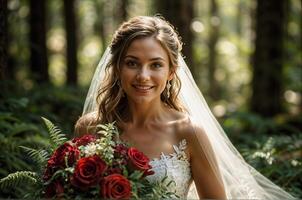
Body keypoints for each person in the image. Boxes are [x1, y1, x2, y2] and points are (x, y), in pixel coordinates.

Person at [75, 16, 295, 199]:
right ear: (117, 67)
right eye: (132, 63)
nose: (143, 76)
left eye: (156, 65)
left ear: (171, 72)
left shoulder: (189, 132)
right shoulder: (89, 128)